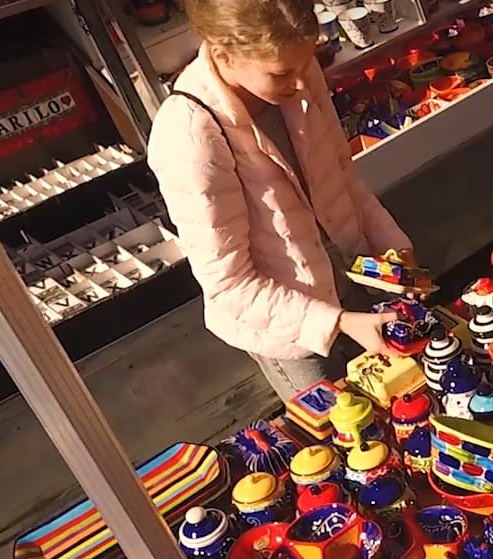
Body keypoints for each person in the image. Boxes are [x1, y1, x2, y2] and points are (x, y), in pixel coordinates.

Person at [147, 0, 413, 401]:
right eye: (282, 72)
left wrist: (393, 247)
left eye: (308, 64)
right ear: (224, 55)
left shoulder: (301, 75)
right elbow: (229, 283)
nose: (303, 84)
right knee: (345, 432)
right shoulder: (189, 133)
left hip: (356, 282)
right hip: (290, 332)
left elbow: (341, 178)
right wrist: (336, 321)